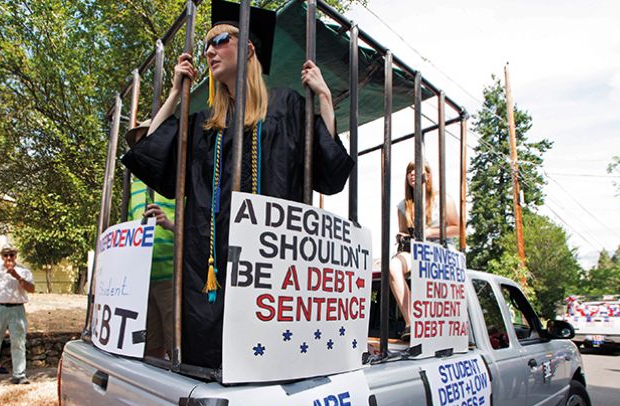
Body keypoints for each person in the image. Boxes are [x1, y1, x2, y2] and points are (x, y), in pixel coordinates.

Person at [122, 0, 354, 368]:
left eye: (220, 40)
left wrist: (324, 97)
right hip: (208, 271)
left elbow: (330, 170)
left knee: (268, 363)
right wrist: (173, 96)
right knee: (210, 361)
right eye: (206, 45)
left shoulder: (288, 107)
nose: (209, 51)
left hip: (270, 268)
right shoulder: (204, 123)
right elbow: (150, 153)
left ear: (247, 48)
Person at [389, 160, 460, 341]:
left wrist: (429, 232)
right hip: (415, 251)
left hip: (440, 251)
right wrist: (402, 236)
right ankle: (412, 322)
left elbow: (457, 228)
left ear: (427, 175)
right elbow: (404, 231)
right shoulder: (403, 205)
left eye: (417, 170)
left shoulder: (443, 199)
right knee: (393, 267)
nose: (412, 174)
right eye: (409, 171)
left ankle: (439, 324)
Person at [125, 119, 176, 359]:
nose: (142, 150)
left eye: (147, 142)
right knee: (150, 345)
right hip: (143, 281)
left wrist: (169, 224)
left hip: (171, 278)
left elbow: (198, 230)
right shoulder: (133, 186)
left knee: (177, 344)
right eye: (138, 145)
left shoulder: (177, 182)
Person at [0, 244, 35, 386]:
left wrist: (16, 276)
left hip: (17, 309)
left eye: (11, 254)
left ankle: (19, 374)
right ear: (2, 257)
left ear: (15, 256)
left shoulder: (24, 271)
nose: (9, 257)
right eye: (6, 255)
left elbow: (32, 289)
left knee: (18, 342)